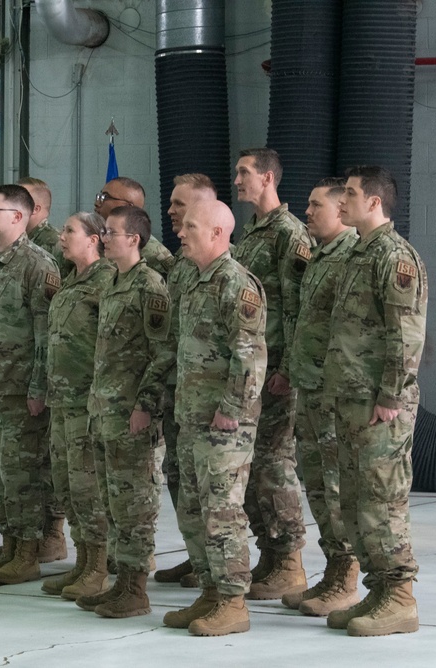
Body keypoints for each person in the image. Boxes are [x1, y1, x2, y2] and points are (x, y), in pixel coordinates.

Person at [324, 166, 427, 637]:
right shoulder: (356, 253)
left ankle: (401, 597)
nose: (341, 201)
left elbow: (405, 335)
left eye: (349, 193)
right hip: (349, 400)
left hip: (378, 405)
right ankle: (379, 589)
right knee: (354, 502)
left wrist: (390, 394)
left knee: (382, 500)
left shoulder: (394, 256)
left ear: (374, 203)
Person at [164, 198, 267, 636]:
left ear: (217, 233)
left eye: (190, 226)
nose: (181, 233)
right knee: (192, 510)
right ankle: (208, 591)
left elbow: (250, 357)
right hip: (192, 418)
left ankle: (232, 602)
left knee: (222, 513)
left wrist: (231, 412)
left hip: (224, 425)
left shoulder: (235, 284)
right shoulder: (193, 279)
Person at [75, 205, 174, 619]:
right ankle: (119, 583)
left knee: (134, 504)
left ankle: (135, 589)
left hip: (132, 415)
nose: (105, 237)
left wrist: (146, 406)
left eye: (112, 232)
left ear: (133, 239)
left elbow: (162, 352)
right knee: (112, 502)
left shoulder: (149, 286)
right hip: (105, 411)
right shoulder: (114, 283)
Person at [0, 184, 61, 585]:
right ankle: (8, 544)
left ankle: (28, 551)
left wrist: (39, 387)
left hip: (19, 390)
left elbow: (45, 334)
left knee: (22, 475)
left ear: (19, 217)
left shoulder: (39, 265)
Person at [231, 147, 311, 599]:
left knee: (274, 465)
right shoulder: (252, 234)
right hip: (253, 370)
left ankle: (290, 561)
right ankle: (269, 554)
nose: (237, 179)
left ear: (267, 178)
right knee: (255, 464)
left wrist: (287, 367)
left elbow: (300, 307)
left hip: (276, 372)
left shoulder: (288, 234)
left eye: (244, 173)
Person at [282, 178, 361, 616]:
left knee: (335, 487)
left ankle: (346, 578)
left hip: (332, 391)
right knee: (315, 483)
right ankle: (332, 570)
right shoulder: (319, 256)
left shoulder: (349, 256)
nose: (307, 212)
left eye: (315, 205)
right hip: (309, 387)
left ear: (340, 210)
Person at [40, 211, 116, 601]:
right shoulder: (70, 281)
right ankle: (83, 561)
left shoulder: (107, 283)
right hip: (62, 401)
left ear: (93, 239)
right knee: (68, 487)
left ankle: (99, 568)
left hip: (88, 402)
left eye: (70, 230)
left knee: (89, 489)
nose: (62, 235)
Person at [155, 173, 218, 589]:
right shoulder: (180, 268)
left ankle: (219, 572)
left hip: (211, 401)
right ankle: (197, 557)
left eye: (180, 206)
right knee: (179, 477)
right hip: (180, 392)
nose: (172, 212)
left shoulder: (227, 274)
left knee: (216, 493)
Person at [17, 175, 71, 560]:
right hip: (16, 366)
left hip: (49, 366)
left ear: (35, 210)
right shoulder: (9, 248)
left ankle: (53, 530)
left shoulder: (53, 247)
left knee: (48, 458)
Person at [94, 176, 174, 279]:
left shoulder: (153, 253)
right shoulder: (93, 240)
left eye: (105, 197)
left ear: (128, 207)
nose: (97, 203)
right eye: (99, 196)